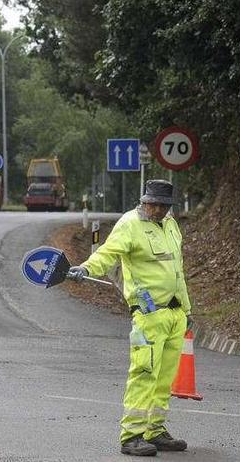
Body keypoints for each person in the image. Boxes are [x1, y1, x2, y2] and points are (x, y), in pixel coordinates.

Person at [67, 179, 192, 457]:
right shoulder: (130, 224)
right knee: (143, 373)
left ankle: (155, 430)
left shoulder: (170, 225)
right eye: (153, 204)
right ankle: (132, 435)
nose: (157, 209)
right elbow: (108, 254)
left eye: (163, 205)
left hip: (174, 313)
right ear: (144, 201)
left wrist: (186, 309)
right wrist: (86, 268)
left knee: (164, 377)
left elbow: (177, 270)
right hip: (148, 315)